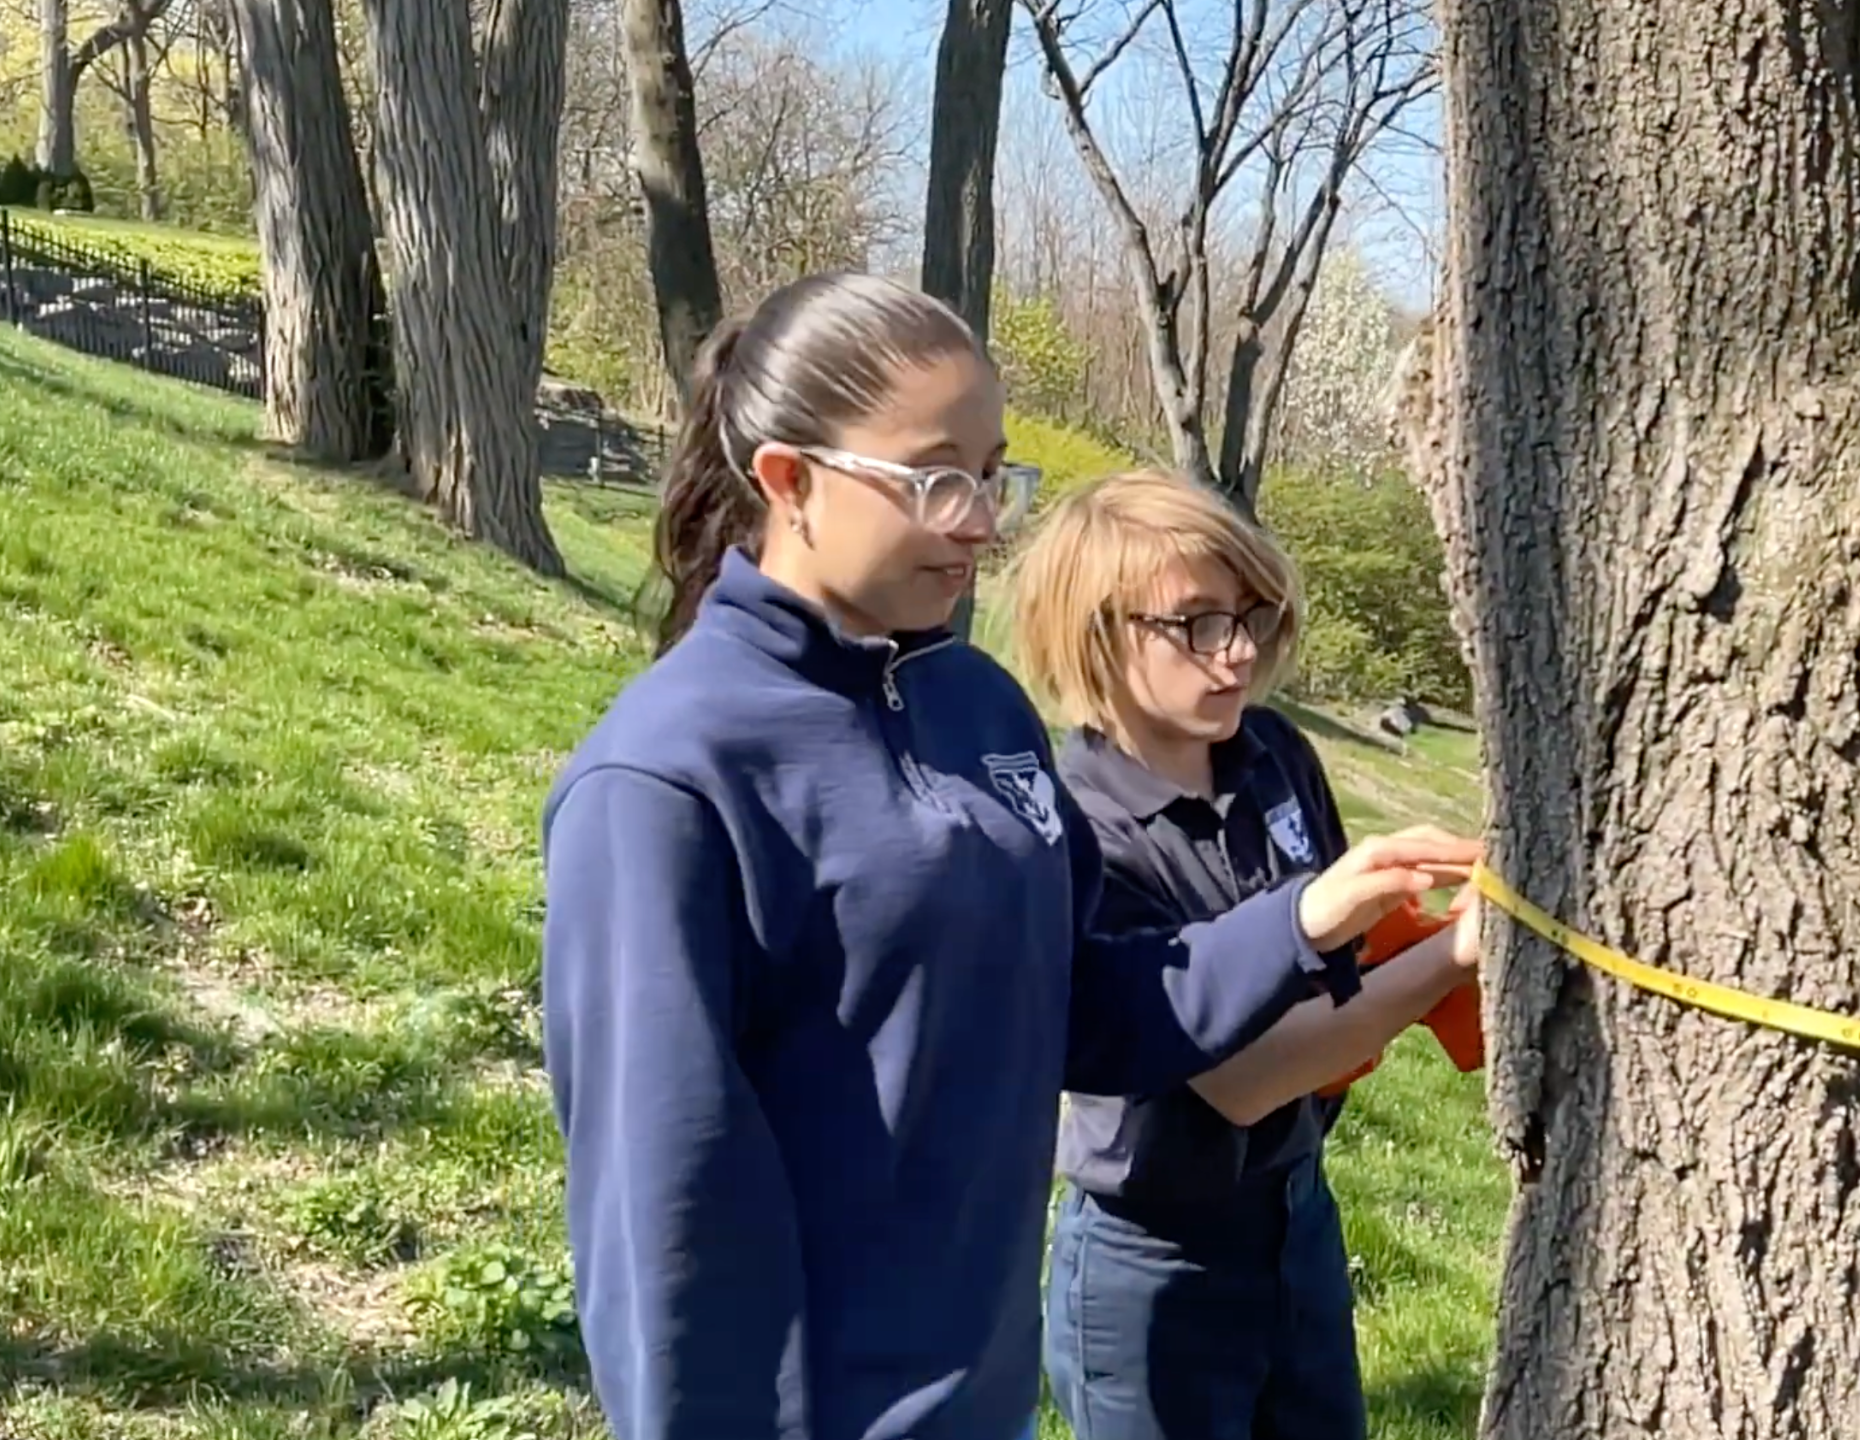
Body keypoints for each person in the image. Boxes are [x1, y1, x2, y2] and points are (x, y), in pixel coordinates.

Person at [536, 272, 1481, 1440]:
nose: (981, 521)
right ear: (789, 482)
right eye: (936, 479)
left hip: (985, 1396)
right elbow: (663, 1216)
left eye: (992, 476)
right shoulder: (666, 778)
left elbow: (1089, 1008)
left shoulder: (977, 708)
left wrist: (1300, 924)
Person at [1006, 470, 1487, 1440]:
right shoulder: (1082, 827)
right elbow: (1240, 1083)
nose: (1235, 652)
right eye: (1195, 624)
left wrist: (1413, 940)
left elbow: (1338, 979)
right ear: (1097, 632)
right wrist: (1457, 957)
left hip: (1296, 1213)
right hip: (1156, 1264)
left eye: (1249, 617)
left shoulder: (1272, 753)